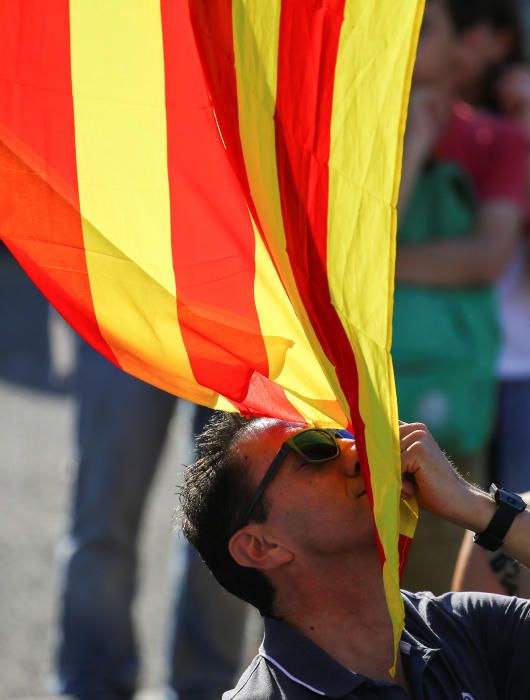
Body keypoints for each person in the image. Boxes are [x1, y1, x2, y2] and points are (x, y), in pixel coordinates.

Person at [178, 413, 530, 698]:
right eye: (313, 450)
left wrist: (477, 507)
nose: (357, 451)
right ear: (261, 546)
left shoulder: (463, 628)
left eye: (341, 434)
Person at [394, 0, 527, 593]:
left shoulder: (497, 139)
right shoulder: (348, 133)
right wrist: (414, 146)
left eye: (423, 28)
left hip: (449, 397)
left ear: (468, 48)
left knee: (432, 593)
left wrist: (377, 268)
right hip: (356, 395)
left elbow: (486, 256)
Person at [55, 341, 249, 700]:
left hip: (233, 319)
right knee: (103, 512)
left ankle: (206, 687)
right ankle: (91, 683)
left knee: (225, 527)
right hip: (125, 309)